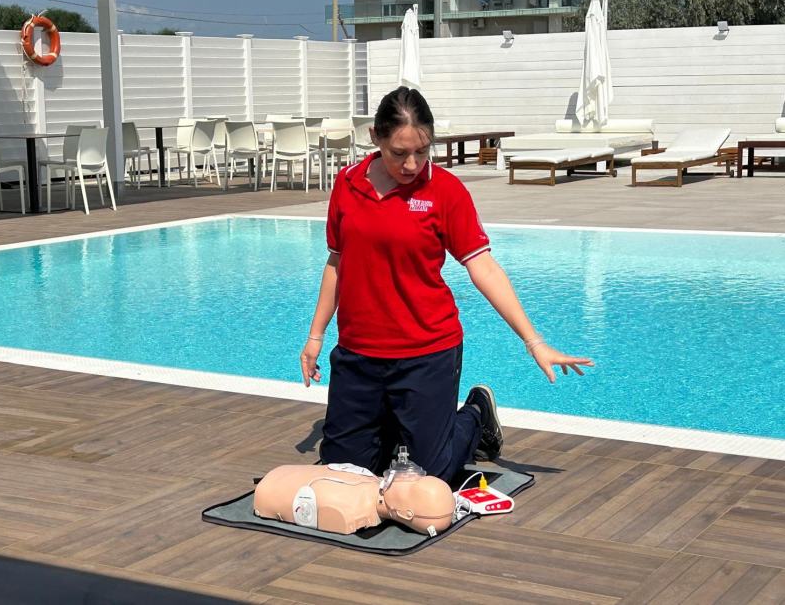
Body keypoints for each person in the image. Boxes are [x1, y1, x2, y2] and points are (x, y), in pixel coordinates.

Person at [300, 86, 593, 484]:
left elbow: (483, 267)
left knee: (428, 475)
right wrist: (316, 336)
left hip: (427, 351)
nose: (412, 164)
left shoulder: (445, 191)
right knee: (343, 470)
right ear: (375, 138)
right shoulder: (348, 184)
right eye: (399, 152)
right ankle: (395, 427)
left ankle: (475, 413)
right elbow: (337, 260)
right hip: (359, 353)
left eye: (422, 151)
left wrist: (534, 341)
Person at [253, 461, 456, 536]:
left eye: (411, 487)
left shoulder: (348, 512)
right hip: (278, 477)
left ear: (406, 513)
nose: (409, 477)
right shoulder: (370, 481)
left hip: (269, 490)